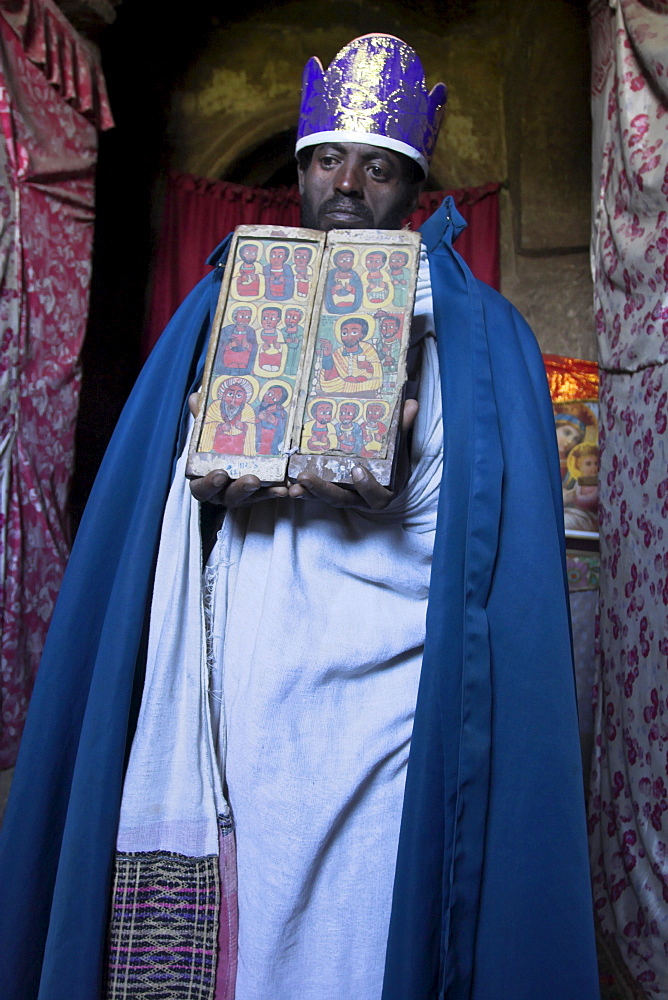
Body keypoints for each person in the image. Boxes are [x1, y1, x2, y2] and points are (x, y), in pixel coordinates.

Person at [0, 33, 600, 1000]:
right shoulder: (219, 304)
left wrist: (384, 459)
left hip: (385, 705)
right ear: (302, 173)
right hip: (241, 691)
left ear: (414, 187)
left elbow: (483, 547)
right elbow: (150, 522)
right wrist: (203, 479)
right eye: (328, 158)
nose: (350, 182)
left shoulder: (482, 337)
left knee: (358, 940)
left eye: (378, 164)